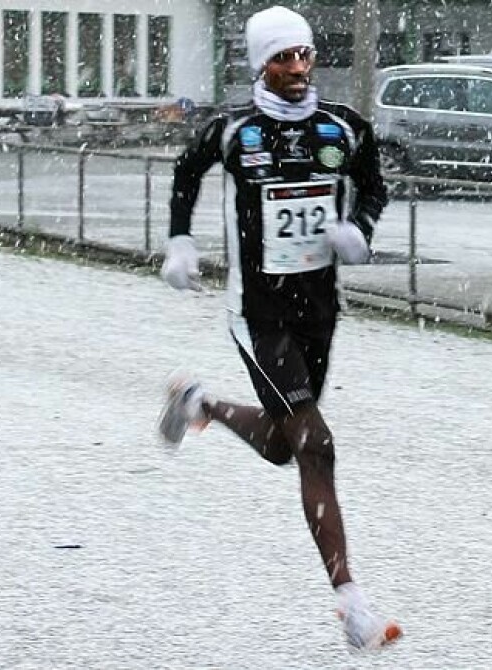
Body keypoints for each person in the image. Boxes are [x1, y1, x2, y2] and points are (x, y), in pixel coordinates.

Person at [157, 5, 402, 652]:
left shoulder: (343, 127)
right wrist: (180, 240)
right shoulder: (235, 130)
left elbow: (374, 186)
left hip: (318, 309)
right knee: (316, 444)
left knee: (281, 445)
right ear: (260, 64)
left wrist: (359, 229)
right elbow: (185, 172)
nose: (296, 67)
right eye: (282, 57)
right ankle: (353, 605)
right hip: (258, 313)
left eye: (303, 54)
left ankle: (198, 403)